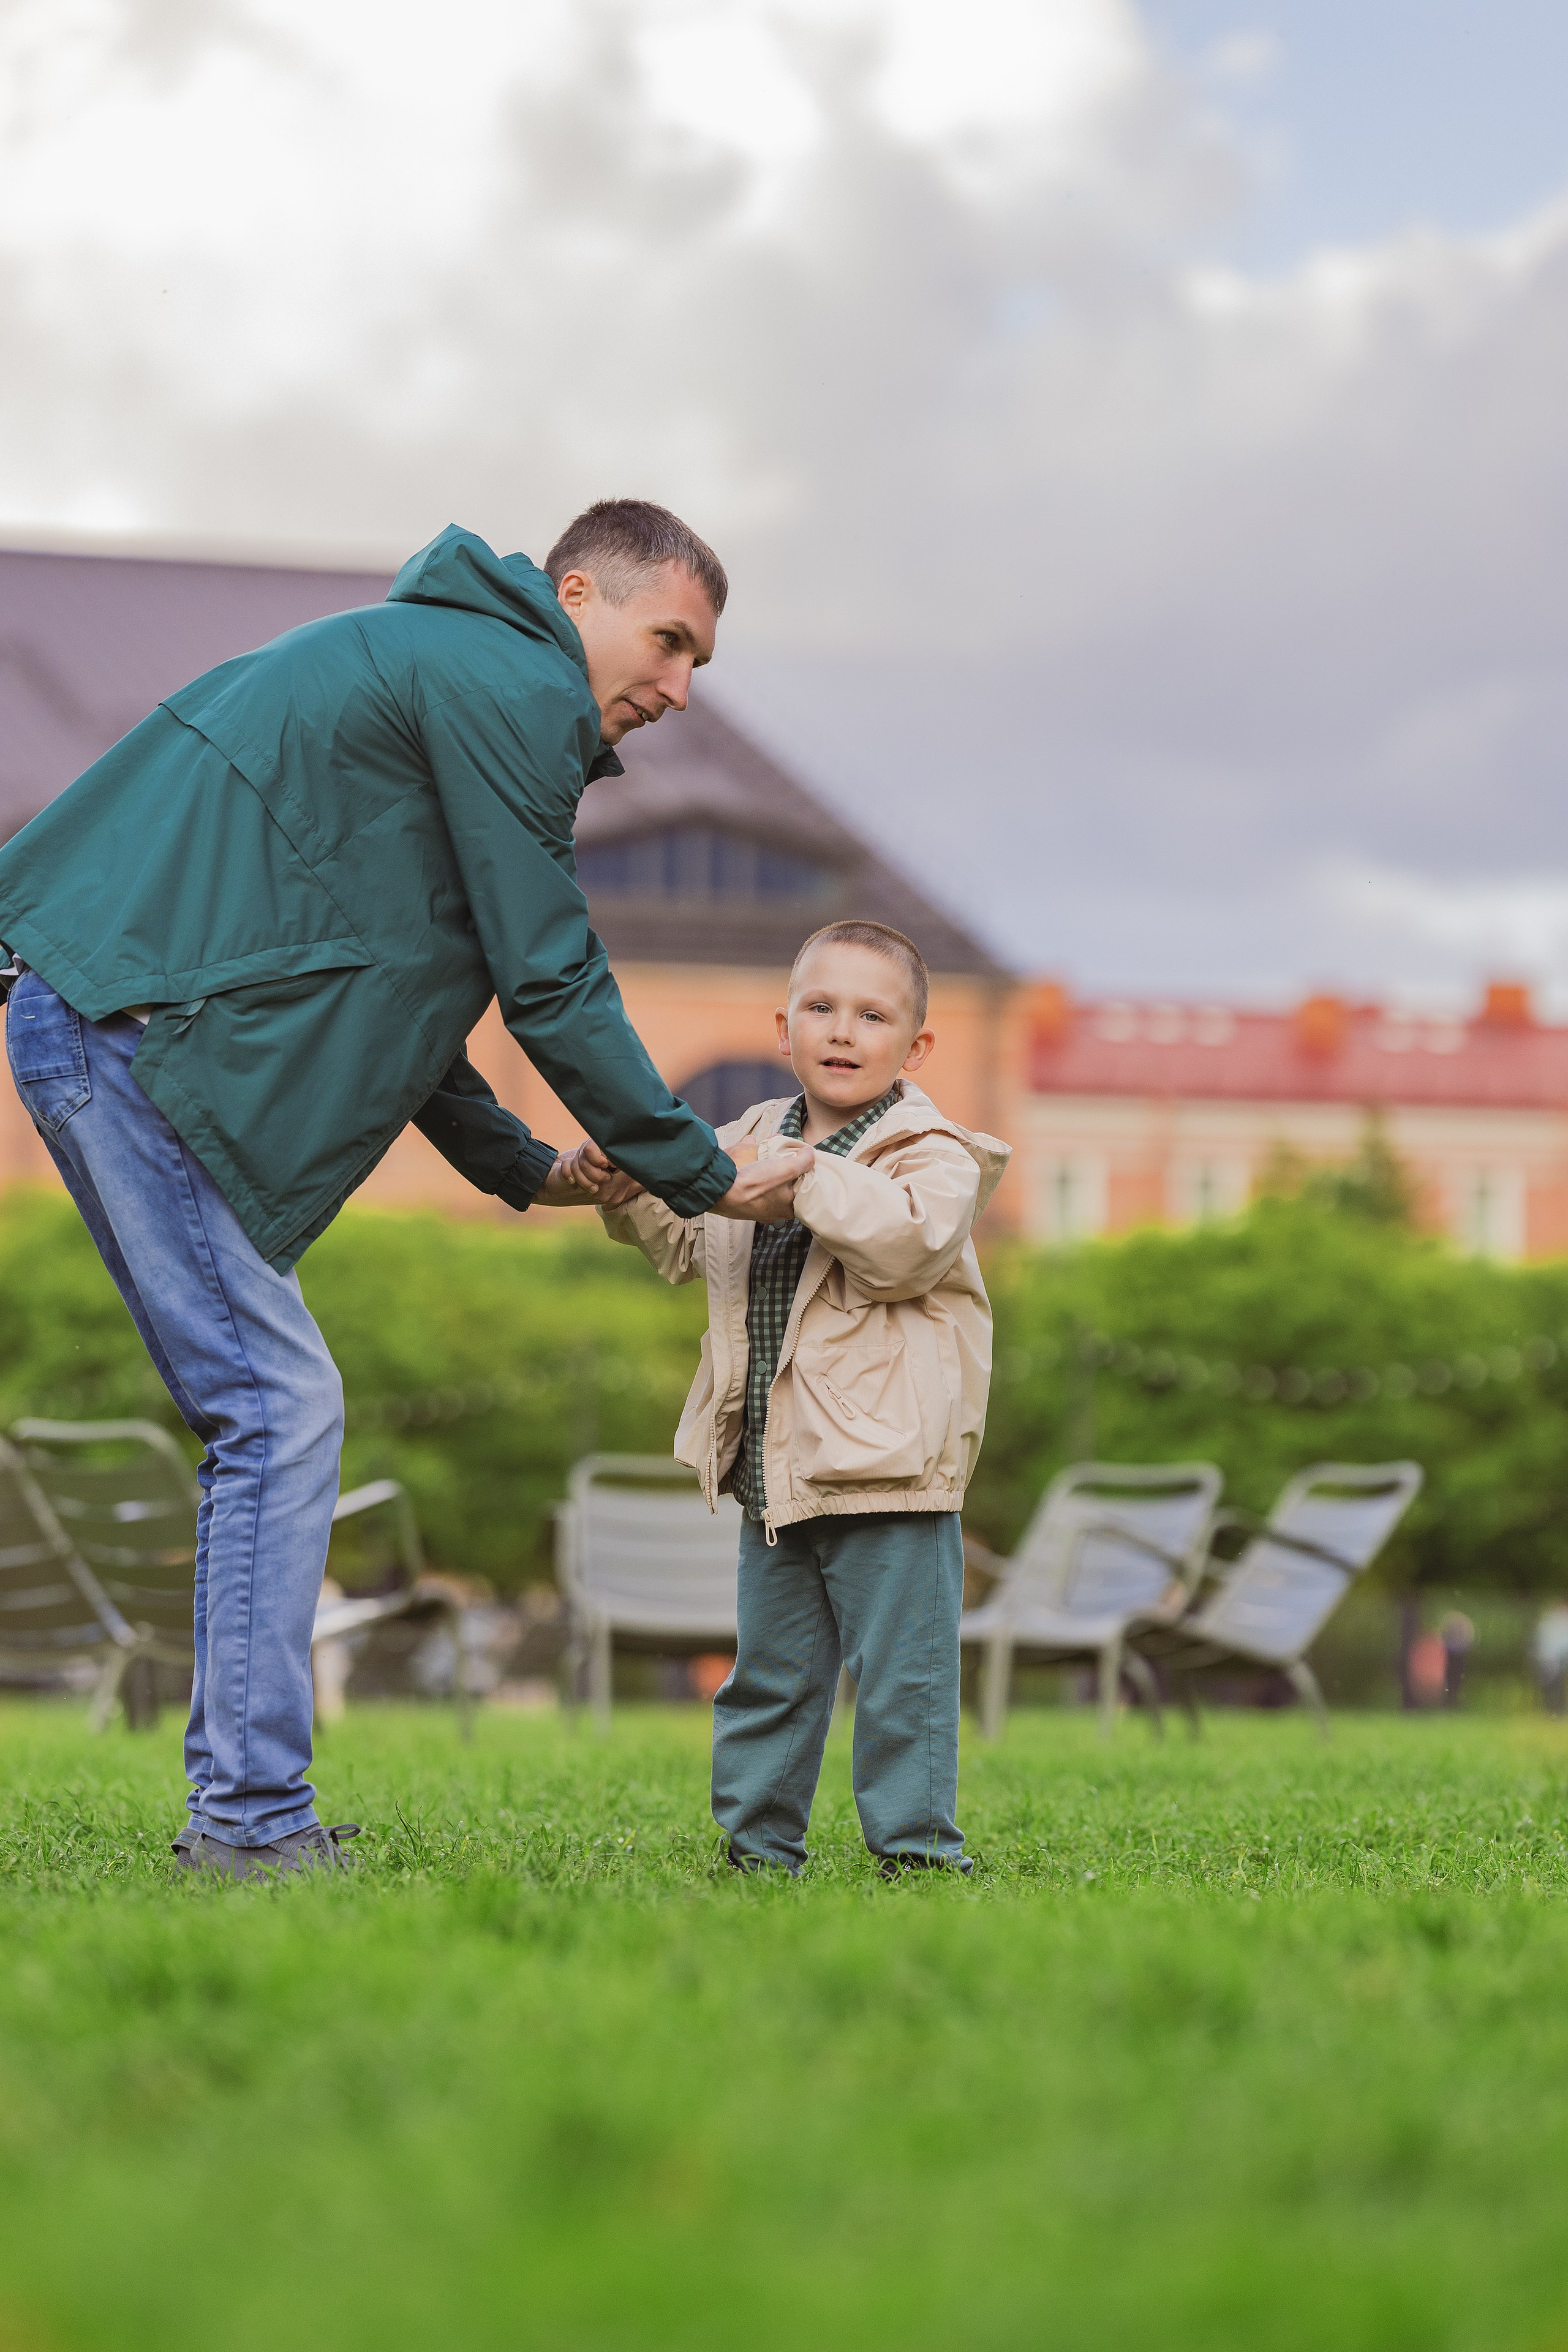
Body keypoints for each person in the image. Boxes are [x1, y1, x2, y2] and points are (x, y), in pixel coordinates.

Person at [0, 499, 800, 1877]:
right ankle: (248, 1827)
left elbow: (406, 981)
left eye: (698, 666)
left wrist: (529, 1168)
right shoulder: (507, 683)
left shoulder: (444, 670)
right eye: (666, 641)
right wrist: (703, 1172)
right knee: (277, 1404)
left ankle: (248, 1813)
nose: (677, 689)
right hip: (133, 1028)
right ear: (574, 595)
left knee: (269, 1406)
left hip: (113, 1020)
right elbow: (549, 975)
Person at [601, 918, 1009, 1877]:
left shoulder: (935, 1154)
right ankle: (757, 1849)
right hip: (776, 1469)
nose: (841, 1030)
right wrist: (627, 1187)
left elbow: (910, 1241)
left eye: (872, 1016)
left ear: (914, 1048)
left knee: (903, 1680)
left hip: (893, 1472)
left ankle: (915, 1854)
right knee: (771, 1677)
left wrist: (803, 1181)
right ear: (781, 1027)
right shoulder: (745, 1139)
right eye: (820, 1008)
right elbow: (690, 1242)